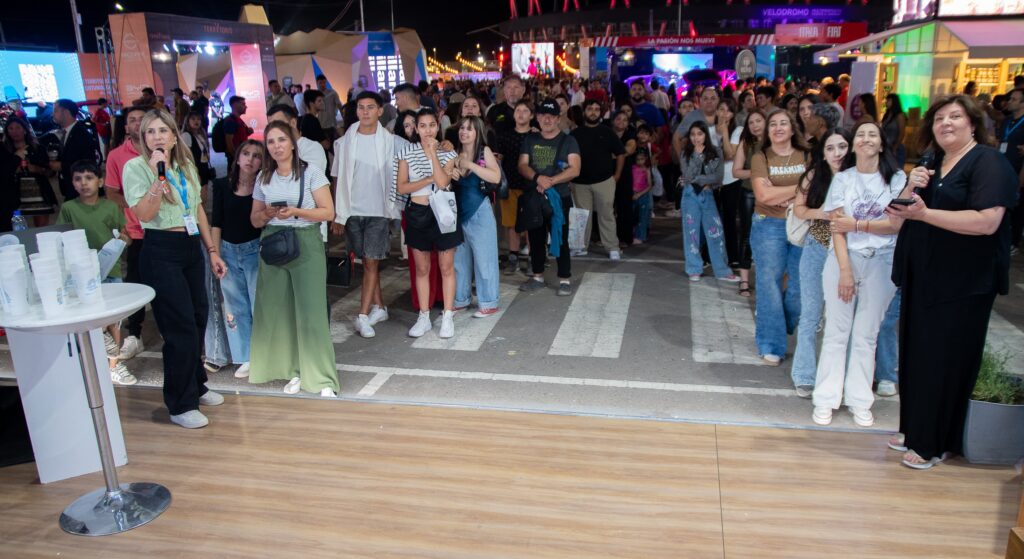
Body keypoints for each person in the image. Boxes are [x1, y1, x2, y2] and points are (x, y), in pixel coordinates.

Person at [886, 95, 1018, 469]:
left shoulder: (989, 162)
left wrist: (926, 215)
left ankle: (934, 443)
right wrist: (910, 187)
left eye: (955, 117)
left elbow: (987, 222)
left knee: (944, 359)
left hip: (963, 283)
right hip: (924, 276)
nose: (946, 123)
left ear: (972, 124)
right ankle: (914, 429)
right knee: (917, 354)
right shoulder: (932, 163)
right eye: (939, 118)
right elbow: (898, 215)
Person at [122, 108, 227, 429]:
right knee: (178, 326)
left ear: (173, 136)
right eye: (150, 132)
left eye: (162, 131)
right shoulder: (136, 168)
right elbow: (144, 214)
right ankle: (180, 403)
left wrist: (211, 250)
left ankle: (196, 385)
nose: (157, 137)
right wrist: (158, 179)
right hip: (160, 250)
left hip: (191, 247)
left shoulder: (185, 166)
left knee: (197, 318)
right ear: (144, 138)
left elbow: (197, 209)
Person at [810, 121, 906, 427]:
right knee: (836, 332)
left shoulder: (897, 179)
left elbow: (896, 225)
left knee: (867, 335)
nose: (866, 139)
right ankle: (826, 399)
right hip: (843, 260)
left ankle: (860, 401)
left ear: (882, 144)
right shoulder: (843, 179)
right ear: (854, 145)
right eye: (860, 135)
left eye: (872, 135)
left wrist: (858, 225)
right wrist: (845, 272)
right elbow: (836, 227)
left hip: (882, 261)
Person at [248, 121, 338, 397]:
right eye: (271, 141)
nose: (276, 146)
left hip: (306, 242)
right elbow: (254, 219)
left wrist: (297, 212)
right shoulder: (263, 177)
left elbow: (328, 212)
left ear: (292, 143)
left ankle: (322, 378)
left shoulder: (311, 173)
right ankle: (294, 371)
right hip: (273, 243)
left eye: (281, 140)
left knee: (311, 312)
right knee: (279, 311)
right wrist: (268, 214)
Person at [331, 91, 407, 338]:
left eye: (370, 107)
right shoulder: (344, 142)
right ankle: (380, 307)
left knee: (372, 261)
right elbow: (336, 177)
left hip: (379, 211)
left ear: (380, 111)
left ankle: (362, 316)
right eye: (361, 107)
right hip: (352, 211)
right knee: (366, 262)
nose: (365, 112)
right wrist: (337, 213)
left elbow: (418, 150)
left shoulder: (392, 141)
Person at [57, 159, 135, 386]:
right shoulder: (68, 208)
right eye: (78, 179)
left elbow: (126, 237)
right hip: (82, 274)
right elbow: (60, 239)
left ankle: (114, 366)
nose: (84, 183)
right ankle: (92, 363)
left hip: (111, 270)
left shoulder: (110, 207)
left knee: (114, 320)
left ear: (100, 182)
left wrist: (124, 239)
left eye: (89, 178)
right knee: (91, 319)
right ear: (72, 183)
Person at [789, 128, 849, 398]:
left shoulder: (859, 176)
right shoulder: (814, 175)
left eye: (842, 147)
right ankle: (804, 375)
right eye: (830, 148)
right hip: (817, 248)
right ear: (823, 153)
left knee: (841, 318)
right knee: (811, 314)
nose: (837, 153)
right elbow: (799, 209)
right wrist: (822, 212)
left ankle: (839, 376)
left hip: (850, 252)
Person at [749, 109, 809, 365]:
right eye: (773, 124)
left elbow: (817, 189)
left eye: (784, 123)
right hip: (768, 224)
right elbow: (763, 196)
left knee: (800, 284)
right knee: (769, 283)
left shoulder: (807, 155)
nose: (778, 128)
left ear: (793, 129)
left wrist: (781, 192)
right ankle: (771, 344)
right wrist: (800, 189)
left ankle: (779, 321)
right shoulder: (760, 157)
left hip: (803, 224)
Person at [395, 109, 461, 338]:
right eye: (422, 126)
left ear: (438, 126)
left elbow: (443, 183)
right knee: (422, 268)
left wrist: (433, 154)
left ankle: (448, 316)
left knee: (446, 266)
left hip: (443, 212)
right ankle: (423, 316)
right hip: (417, 212)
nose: (427, 130)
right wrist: (428, 178)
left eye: (432, 125)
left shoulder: (447, 151)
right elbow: (402, 187)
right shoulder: (406, 152)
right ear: (416, 128)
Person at [517, 99, 582, 296]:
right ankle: (537, 276)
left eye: (551, 116)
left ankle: (564, 278)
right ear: (537, 118)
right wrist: (538, 178)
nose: (547, 119)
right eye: (543, 115)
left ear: (558, 118)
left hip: (559, 198)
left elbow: (575, 169)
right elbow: (522, 165)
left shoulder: (569, 141)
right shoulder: (530, 140)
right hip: (535, 197)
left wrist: (550, 181)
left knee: (560, 238)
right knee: (535, 239)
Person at [210, 140, 264, 379]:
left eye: (257, 156)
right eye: (246, 154)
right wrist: (215, 253)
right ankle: (244, 357)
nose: (250, 159)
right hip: (228, 251)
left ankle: (264, 354)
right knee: (235, 306)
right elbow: (216, 222)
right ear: (238, 158)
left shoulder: (263, 187)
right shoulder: (222, 185)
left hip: (255, 251)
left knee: (258, 304)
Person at [104, 104, 149, 361]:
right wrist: (136, 207)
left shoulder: (163, 149)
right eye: (133, 120)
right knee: (136, 283)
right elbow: (111, 192)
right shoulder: (117, 156)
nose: (138, 123)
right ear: (126, 126)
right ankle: (135, 335)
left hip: (168, 229)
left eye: (142, 119)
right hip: (136, 231)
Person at [451, 116, 503, 317]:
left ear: (477, 132)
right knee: (459, 261)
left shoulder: (484, 151)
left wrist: (470, 165)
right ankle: (461, 299)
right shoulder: (454, 153)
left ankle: (489, 302)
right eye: (462, 128)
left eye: (469, 129)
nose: (464, 132)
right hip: (458, 213)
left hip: (480, 211)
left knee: (484, 259)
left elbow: (495, 177)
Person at [679, 121, 740, 283]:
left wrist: (699, 179)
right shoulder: (685, 153)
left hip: (708, 195)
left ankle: (722, 270)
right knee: (691, 233)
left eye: (699, 134)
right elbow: (687, 175)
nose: (696, 138)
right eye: (693, 134)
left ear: (705, 134)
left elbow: (718, 177)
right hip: (690, 195)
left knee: (716, 232)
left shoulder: (716, 152)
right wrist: (698, 157)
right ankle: (694, 269)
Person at [570, 99, 626, 259]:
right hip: (579, 182)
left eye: (596, 109)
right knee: (580, 215)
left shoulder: (607, 132)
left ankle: (612, 247)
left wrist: (617, 175)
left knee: (606, 214)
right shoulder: (575, 134)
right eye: (590, 109)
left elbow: (620, 153)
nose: (593, 112)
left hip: (604, 181)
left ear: (600, 113)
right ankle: (579, 246)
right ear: (584, 112)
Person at [494, 100, 534, 274]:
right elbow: (498, 160)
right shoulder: (505, 136)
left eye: (525, 110)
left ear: (532, 115)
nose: (521, 114)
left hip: (532, 186)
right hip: (510, 186)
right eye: (518, 110)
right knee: (511, 225)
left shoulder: (536, 136)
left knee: (532, 225)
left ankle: (534, 259)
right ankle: (513, 259)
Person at [730, 109, 767, 297]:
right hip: (749, 193)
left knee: (769, 237)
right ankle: (744, 280)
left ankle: (766, 279)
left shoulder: (775, 142)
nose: (755, 125)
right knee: (747, 235)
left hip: (771, 196)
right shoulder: (746, 143)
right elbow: (736, 171)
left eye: (758, 121)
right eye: (751, 122)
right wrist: (757, 173)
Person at [2, 116, 57, 224]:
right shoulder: (4, 150)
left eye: (18, 128)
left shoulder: (38, 148)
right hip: (13, 194)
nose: (14, 132)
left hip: (38, 192)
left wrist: (37, 169)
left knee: (42, 227)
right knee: (16, 225)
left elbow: (50, 171)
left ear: (25, 130)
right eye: (11, 128)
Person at [50, 99, 101, 201]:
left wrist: (61, 166)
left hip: (81, 189)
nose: (53, 114)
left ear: (66, 112)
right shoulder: (67, 132)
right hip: (71, 188)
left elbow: (86, 162)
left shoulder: (80, 134)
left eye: (56, 111)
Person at [715, 98, 743, 266]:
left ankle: (733, 256)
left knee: (729, 220)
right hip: (713, 181)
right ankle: (710, 255)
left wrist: (725, 132)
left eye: (728, 110)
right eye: (721, 109)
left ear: (733, 114)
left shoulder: (738, 130)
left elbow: (730, 154)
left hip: (731, 180)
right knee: (712, 220)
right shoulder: (709, 130)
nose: (724, 113)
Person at [997, 88, 1024, 252]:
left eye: (1014, 99)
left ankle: (1014, 241)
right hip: (1003, 167)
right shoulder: (1007, 121)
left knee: (1017, 206)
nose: (1009, 102)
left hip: (1019, 170)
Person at [267, 103, 329, 174]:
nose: (274, 129)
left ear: (293, 123)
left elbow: (311, 176)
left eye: (278, 124)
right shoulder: (274, 150)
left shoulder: (312, 148)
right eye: (271, 126)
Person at [180, 110, 213, 187]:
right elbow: (185, 155)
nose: (196, 121)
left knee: (204, 189)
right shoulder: (186, 135)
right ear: (187, 121)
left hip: (203, 165)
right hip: (194, 167)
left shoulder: (200, 134)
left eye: (198, 119)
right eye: (193, 119)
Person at [631, 148, 654, 243]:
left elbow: (649, 185)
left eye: (642, 159)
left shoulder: (647, 170)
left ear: (646, 159)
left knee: (642, 217)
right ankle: (632, 234)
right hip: (633, 194)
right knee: (633, 216)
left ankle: (640, 236)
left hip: (643, 195)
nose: (640, 161)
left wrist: (639, 194)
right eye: (638, 159)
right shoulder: (632, 168)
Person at [223, 95, 253, 167]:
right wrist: (236, 158)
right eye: (243, 104)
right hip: (236, 158)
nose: (246, 106)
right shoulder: (230, 121)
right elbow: (229, 143)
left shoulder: (238, 120)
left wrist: (248, 132)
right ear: (235, 105)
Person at [881, 93, 908, 167]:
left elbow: (902, 132)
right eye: (886, 100)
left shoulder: (900, 115)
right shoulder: (886, 115)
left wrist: (895, 147)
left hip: (896, 147)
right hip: (886, 147)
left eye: (889, 100)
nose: (886, 102)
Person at [315, 74, 342, 143]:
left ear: (326, 82)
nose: (322, 84)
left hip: (331, 124)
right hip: (320, 125)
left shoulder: (332, 93)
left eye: (324, 82)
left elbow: (339, 105)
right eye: (320, 83)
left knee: (333, 143)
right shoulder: (315, 95)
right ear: (317, 83)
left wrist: (343, 115)